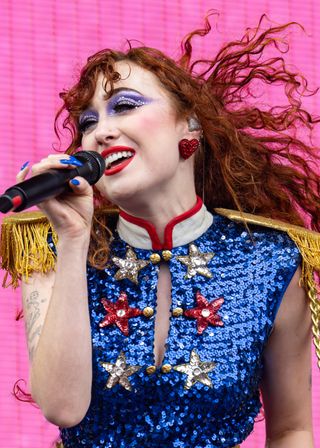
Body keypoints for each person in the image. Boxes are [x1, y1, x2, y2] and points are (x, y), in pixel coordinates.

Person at [1, 15, 320, 448]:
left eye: (125, 106)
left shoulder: (271, 261)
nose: (101, 132)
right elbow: (62, 407)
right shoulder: (49, 244)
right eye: (87, 122)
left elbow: (291, 429)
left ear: (189, 126)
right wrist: (74, 240)